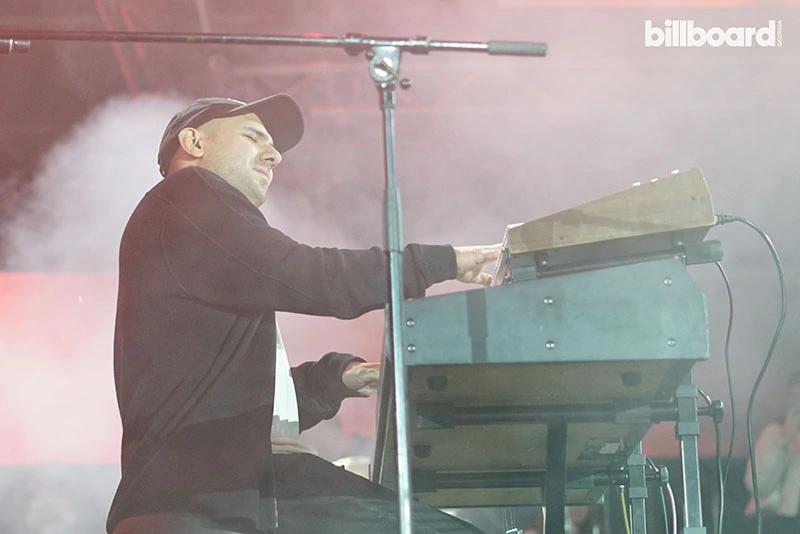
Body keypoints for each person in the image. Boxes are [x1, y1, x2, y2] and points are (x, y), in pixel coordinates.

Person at [106, 94, 499, 534]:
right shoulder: (187, 194)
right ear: (194, 142)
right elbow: (310, 275)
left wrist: (334, 380)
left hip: (208, 492)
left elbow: (235, 405)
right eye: (253, 137)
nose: (273, 155)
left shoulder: (191, 237)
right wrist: (439, 263)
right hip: (207, 499)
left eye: (273, 147)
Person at [744, 369, 800, 533]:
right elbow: (758, 486)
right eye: (795, 399)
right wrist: (783, 442)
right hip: (778, 522)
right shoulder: (774, 434)